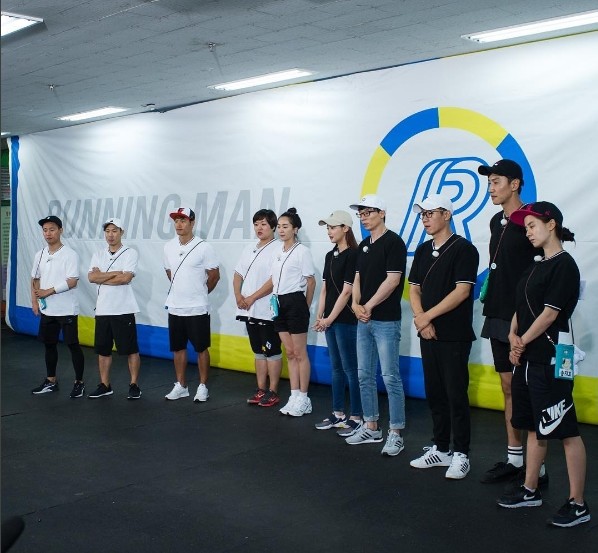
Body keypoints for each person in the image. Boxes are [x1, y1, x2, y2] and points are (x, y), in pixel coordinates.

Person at [496, 201, 590, 528]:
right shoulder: (535, 265)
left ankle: (578, 504)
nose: (528, 232)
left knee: (565, 430)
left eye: (532, 225)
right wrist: (512, 334)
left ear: (552, 225)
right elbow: (521, 307)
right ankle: (530, 488)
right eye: (525, 228)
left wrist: (521, 341)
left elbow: (550, 314)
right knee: (537, 426)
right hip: (528, 358)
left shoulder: (564, 265)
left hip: (550, 357)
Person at [477, 159, 546, 485]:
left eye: (496, 182)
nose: (491, 189)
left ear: (515, 184)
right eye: (489, 183)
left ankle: (538, 469)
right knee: (507, 387)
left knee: (527, 391)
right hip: (497, 313)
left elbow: (539, 270)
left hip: (524, 318)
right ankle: (514, 458)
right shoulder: (496, 221)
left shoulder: (531, 219)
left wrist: (525, 318)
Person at [407, 194, 479, 479]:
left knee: (455, 394)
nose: (425, 219)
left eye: (430, 213)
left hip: (454, 333)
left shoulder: (464, 249)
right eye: (422, 215)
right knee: (434, 392)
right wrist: (421, 318)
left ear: (446, 215)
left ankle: (461, 453)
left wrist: (427, 316)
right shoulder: (423, 250)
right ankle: (440, 448)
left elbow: (462, 291)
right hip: (427, 332)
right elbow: (414, 288)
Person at [346, 194, 407, 456]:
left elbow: (393, 280)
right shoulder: (363, 245)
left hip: (386, 320)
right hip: (364, 319)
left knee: (390, 376)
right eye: (361, 214)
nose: (364, 217)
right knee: (364, 375)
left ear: (382, 213)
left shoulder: (394, 242)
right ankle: (371, 425)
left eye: (368, 212)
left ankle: (396, 432)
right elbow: (358, 278)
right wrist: (355, 304)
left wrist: (368, 306)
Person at [163, 208, 220, 402]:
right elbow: (169, 272)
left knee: (201, 348)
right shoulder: (168, 247)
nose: (179, 224)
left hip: (197, 308)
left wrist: (199, 293)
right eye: (176, 220)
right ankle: (181, 385)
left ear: (192, 223)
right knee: (178, 348)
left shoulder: (204, 247)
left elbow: (214, 276)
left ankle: (203, 386)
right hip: (175, 307)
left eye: (183, 220)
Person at [313, 210, 362, 432]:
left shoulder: (354, 254)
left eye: (333, 227)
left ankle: (357, 416)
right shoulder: (329, 255)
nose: (329, 231)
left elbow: (347, 291)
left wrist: (330, 318)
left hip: (345, 319)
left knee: (351, 368)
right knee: (336, 368)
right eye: (328, 227)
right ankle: (338, 413)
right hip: (330, 320)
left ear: (346, 228)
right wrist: (320, 315)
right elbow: (325, 289)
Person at [30, 215, 85, 398]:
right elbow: (35, 278)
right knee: (49, 345)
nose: (48, 233)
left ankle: (79, 383)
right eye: (45, 230)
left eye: (52, 229)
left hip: (66, 309)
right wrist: (35, 301)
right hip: (48, 310)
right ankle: (51, 381)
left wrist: (49, 291)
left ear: (60, 230)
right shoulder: (40, 254)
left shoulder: (70, 254)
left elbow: (72, 281)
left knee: (73, 345)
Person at [87, 218, 141, 399]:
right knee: (103, 350)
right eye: (108, 231)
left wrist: (101, 276)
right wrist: (114, 273)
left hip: (123, 309)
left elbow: (125, 279)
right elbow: (91, 278)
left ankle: (134, 384)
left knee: (130, 349)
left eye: (115, 231)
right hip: (103, 309)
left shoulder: (130, 253)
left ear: (121, 232)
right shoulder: (98, 254)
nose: (110, 235)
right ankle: (105, 385)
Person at [233, 209, 282, 407]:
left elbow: (274, 279)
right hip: (248, 309)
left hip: (267, 310)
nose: (259, 228)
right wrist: (238, 296)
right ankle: (261, 389)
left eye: (263, 224)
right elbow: (238, 274)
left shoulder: (279, 248)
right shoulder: (249, 248)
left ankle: (273, 391)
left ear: (273, 227)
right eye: (256, 224)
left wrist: (252, 297)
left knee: (272, 351)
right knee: (258, 351)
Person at [271, 208, 316, 417]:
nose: (281, 230)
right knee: (289, 352)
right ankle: (294, 395)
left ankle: (304, 398)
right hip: (277, 302)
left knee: (299, 353)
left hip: (295, 302)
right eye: (279, 227)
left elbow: (311, 282)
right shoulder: (277, 251)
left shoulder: (302, 251)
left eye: (285, 226)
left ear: (295, 229)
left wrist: (304, 307)